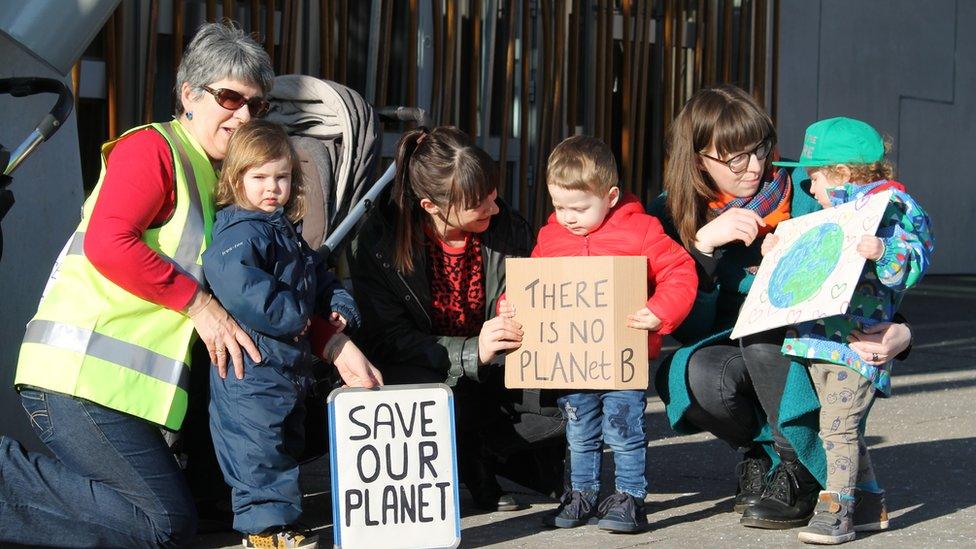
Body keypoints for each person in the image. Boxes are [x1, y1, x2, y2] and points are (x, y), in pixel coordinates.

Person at [0, 23, 374, 548]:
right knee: (161, 525)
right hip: (79, 379)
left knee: (185, 513)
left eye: (257, 105)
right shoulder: (153, 149)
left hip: (129, 392)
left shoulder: (226, 179)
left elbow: (262, 286)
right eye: (229, 97)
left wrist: (331, 341)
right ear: (189, 96)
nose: (243, 115)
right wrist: (197, 303)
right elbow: (110, 242)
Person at [647, 85, 915, 532]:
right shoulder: (671, 213)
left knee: (766, 337)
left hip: (811, 347)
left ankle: (799, 471)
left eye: (761, 149)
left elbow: (876, 275)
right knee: (692, 373)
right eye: (735, 158)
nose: (755, 167)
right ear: (699, 160)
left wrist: (902, 334)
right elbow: (687, 326)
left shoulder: (813, 190)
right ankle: (763, 453)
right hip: (731, 346)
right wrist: (704, 249)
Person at [349, 126, 566, 511]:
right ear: (430, 206)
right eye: (478, 204)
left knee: (567, 409)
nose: (494, 209)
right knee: (439, 397)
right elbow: (387, 338)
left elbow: (533, 296)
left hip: (494, 375)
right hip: (426, 374)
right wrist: (471, 351)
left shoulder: (507, 227)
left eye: (492, 195)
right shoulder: (379, 243)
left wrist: (522, 313)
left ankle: (478, 453)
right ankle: (465, 462)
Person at [203, 121, 382, 548]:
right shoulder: (239, 232)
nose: (272, 188)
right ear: (236, 179)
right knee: (258, 448)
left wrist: (338, 306)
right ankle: (264, 530)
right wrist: (295, 318)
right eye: (260, 178)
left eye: (281, 178)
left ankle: (279, 519)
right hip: (252, 369)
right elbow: (241, 285)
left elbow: (319, 276)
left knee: (284, 441)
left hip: (285, 367)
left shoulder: (283, 230)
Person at [761, 117, 933, 544]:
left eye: (814, 178)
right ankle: (871, 505)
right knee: (843, 427)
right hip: (818, 336)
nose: (809, 188)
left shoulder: (891, 206)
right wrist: (775, 255)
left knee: (837, 426)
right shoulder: (830, 214)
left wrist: (885, 250)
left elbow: (915, 258)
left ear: (842, 174)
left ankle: (837, 509)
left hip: (859, 341)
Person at [522, 136, 697, 533]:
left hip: (622, 357)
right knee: (579, 430)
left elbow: (680, 271)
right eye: (558, 206)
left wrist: (660, 311)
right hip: (574, 360)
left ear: (611, 195)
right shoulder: (550, 239)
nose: (567, 217)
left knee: (624, 430)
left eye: (579, 208)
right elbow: (529, 286)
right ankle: (582, 493)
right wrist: (511, 309)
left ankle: (628, 497)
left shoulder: (642, 231)